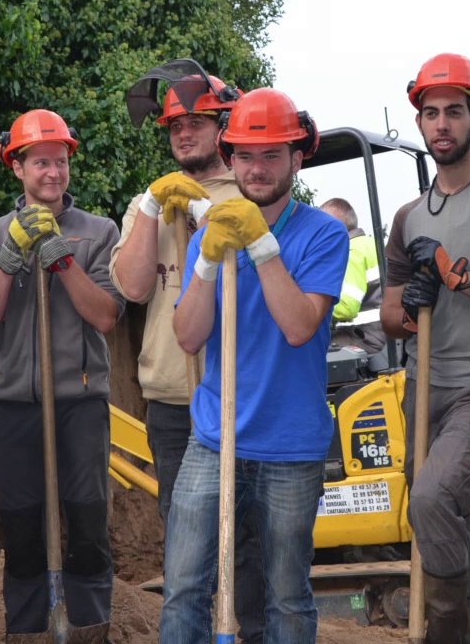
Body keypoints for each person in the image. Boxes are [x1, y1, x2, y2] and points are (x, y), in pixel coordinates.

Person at [161, 88, 349, 643]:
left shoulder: (322, 233)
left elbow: (297, 326)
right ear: (230, 156)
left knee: (287, 597)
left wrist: (262, 246)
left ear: (298, 158)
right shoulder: (208, 236)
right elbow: (189, 337)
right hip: (215, 435)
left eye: (272, 155)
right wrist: (208, 259)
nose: (257, 167)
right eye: (245, 154)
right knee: (183, 587)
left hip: (291, 446)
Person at [111, 70, 268, 642]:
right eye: (175, 125)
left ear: (224, 126)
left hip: (240, 396)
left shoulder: (254, 193)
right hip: (174, 401)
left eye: (196, 122)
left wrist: (211, 222)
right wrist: (155, 207)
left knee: (247, 547)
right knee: (184, 551)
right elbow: (131, 287)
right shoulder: (147, 203)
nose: (184, 134)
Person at [378, 53, 470, 643]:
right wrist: (414, 306)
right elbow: (391, 317)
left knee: (436, 501)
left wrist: (459, 279)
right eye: (431, 113)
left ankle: (442, 633)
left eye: (455, 113)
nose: (442, 124)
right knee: (451, 519)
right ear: (419, 122)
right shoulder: (407, 217)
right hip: (423, 391)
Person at [0, 109, 123, 638]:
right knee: (22, 525)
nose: (52, 173)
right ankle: (30, 630)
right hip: (13, 401)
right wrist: (11, 258)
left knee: (86, 521)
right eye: (39, 163)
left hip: (78, 400)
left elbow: (105, 316)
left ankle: (88, 626)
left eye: (59, 162)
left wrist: (62, 261)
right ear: (17, 167)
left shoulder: (99, 232)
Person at [320, 197, 385, 354]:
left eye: (321, 227)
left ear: (334, 227)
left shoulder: (350, 252)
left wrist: (310, 305)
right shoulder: (371, 244)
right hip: (385, 335)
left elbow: (346, 308)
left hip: (367, 338)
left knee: (310, 354)